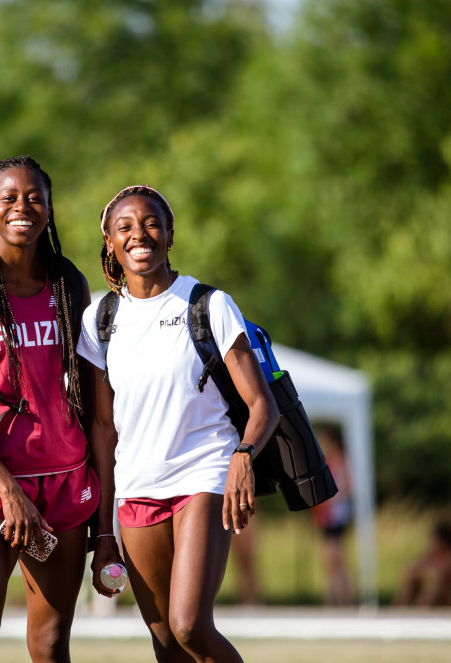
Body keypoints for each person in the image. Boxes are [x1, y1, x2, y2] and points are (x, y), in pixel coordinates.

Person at [78, 185, 279, 662]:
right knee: (166, 644)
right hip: (136, 487)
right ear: (110, 241)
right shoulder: (99, 319)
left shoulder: (209, 304)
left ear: (170, 234)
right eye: (125, 227)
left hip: (203, 474)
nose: (139, 234)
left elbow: (263, 405)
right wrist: (103, 531)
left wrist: (243, 455)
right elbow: (103, 430)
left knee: (189, 624)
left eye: (151, 223)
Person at [0, 156, 121, 663]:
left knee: (51, 642)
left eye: (36, 197)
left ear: (49, 209)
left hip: (64, 480)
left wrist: (105, 527)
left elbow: (96, 411)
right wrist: (9, 492)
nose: (23, 207)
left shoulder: (68, 283)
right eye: (10, 198)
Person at [310, 425, 355, 605]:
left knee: (334, 559)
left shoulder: (340, 460)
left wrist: (332, 500)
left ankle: (340, 600)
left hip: (336, 515)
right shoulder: (328, 460)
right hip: (328, 515)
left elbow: (348, 487)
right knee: (332, 561)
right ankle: (337, 599)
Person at [393, 520, 451, 607]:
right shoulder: (433, 554)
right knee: (412, 581)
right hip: (435, 590)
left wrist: (422, 572)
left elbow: (442, 572)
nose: (432, 543)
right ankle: (398, 608)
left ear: (444, 540)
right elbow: (414, 567)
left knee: (436, 580)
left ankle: (424, 607)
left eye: (435, 539)